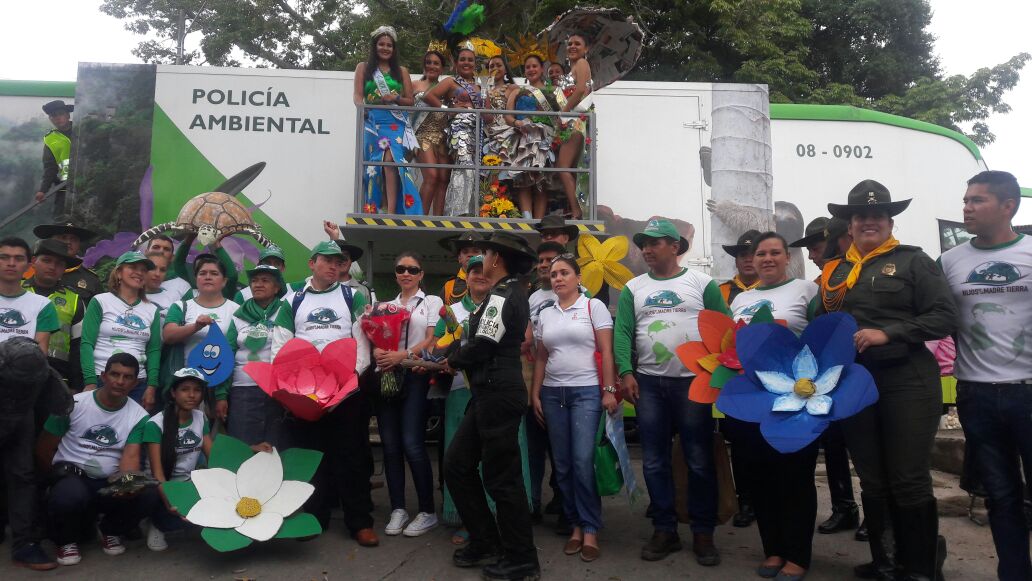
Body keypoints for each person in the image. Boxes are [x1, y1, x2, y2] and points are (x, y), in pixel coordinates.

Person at [818, 180, 957, 581]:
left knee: (908, 476)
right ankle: (886, 561)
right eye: (860, 215)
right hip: (855, 384)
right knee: (873, 477)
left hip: (907, 380)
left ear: (890, 220)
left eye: (877, 215)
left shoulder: (914, 262)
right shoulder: (836, 271)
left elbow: (945, 316)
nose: (869, 221)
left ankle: (920, 568)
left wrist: (890, 332)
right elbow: (822, 324)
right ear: (850, 223)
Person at [614, 218, 727, 565]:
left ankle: (703, 531)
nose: (646, 249)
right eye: (643, 244)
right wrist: (626, 371)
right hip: (649, 383)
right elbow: (623, 332)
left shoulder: (702, 282)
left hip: (693, 383)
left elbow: (724, 330)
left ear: (675, 246)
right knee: (654, 460)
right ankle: (665, 529)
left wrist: (719, 375)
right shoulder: (634, 287)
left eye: (655, 243)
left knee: (698, 458)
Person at [940, 170, 1032, 581]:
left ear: (1008, 205)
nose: (967, 207)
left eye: (978, 200)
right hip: (975, 394)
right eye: (966, 200)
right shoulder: (949, 261)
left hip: (1028, 391)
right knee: (1001, 495)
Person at [443, 232, 540, 581]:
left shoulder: (502, 294)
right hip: (489, 392)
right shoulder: (511, 291)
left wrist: (453, 360)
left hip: (497, 393)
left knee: (503, 479)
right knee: (457, 465)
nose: (481, 259)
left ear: (496, 258)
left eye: (484, 253)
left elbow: (483, 343)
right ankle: (486, 540)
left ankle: (522, 561)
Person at [725, 232, 820, 579]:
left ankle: (797, 555)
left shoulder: (806, 291)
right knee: (760, 476)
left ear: (787, 257)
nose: (766, 258)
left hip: (796, 401)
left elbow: (820, 341)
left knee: (794, 476)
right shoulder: (740, 300)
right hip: (754, 399)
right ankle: (773, 550)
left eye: (774, 252)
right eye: (760, 253)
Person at [289, 240, 377, 547]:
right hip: (306, 391)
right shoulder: (293, 297)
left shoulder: (352, 295)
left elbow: (362, 341)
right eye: (326, 260)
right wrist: (291, 385)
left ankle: (360, 522)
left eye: (337, 261)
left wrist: (352, 379)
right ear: (312, 263)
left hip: (345, 390)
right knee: (313, 456)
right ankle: (314, 517)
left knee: (351, 455)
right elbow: (282, 341)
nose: (332, 265)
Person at [531, 253, 618, 563]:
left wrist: (608, 390)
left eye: (565, 273)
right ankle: (575, 527)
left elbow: (606, 352)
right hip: (553, 394)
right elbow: (541, 357)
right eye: (554, 274)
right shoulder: (546, 313)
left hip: (586, 393)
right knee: (563, 465)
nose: (558, 278)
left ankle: (591, 528)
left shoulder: (593, 307)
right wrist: (536, 394)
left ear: (579, 278)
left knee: (582, 462)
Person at [37, 353, 155, 566]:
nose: (120, 381)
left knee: (148, 493)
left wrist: (127, 485)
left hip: (108, 481)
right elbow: (44, 448)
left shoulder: (139, 416)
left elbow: (130, 457)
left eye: (127, 377)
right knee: (69, 495)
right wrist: (52, 480)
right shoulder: (73, 403)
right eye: (114, 374)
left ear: (135, 382)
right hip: (72, 475)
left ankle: (110, 529)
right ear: (103, 376)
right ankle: (65, 540)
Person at [790, 217, 863, 538]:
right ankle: (844, 507)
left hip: (861, 370)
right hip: (826, 375)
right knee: (833, 444)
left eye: (815, 248)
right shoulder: (821, 283)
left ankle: (876, 516)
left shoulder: (855, 276)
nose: (811, 256)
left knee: (864, 449)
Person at [0, 237, 61, 570]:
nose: (10, 263)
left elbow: (40, 354)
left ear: (28, 265)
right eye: (4, 257)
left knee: (22, 471)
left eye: (18, 258)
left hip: (21, 401)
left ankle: (24, 544)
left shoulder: (40, 306)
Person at [376, 252, 443, 538]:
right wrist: (379, 352)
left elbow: (432, 339)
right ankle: (398, 508)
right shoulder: (384, 306)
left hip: (414, 377)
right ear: (395, 274)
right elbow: (375, 339)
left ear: (421, 274)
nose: (406, 274)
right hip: (387, 378)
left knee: (412, 444)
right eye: (401, 269)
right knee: (390, 446)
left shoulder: (431, 302)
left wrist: (401, 355)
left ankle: (427, 510)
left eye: (412, 270)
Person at [143, 367, 215, 552]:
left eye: (197, 390)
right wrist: (170, 500)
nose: (192, 395)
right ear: (173, 393)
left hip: (189, 482)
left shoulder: (200, 417)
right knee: (168, 514)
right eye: (185, 389)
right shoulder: (155, 424)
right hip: (161, 485)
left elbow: (214, 457)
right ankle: (156, 523)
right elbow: (157, 474)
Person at [80, 251, 161, 410]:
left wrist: (152, 386)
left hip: (137, 383)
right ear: (118, 273)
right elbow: (86, 343)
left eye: (144, 270)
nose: (139, 272)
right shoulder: (100, 301)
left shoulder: (152, 310)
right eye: (133, 267)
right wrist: (89, 381)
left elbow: (154, 350)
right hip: (101, 378)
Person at [162, 254, 239, 420]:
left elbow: (236, 349)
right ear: (196, 279)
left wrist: (221, 395)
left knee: (214, 436)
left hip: (221, 383)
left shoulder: (236, 310)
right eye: (202, 273)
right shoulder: (181, 306)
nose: (208, 277)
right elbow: (168, 335)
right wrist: (196, 326)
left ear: (224, 281)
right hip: (185, 383)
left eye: (214, 273)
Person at [354, 25, 422, 215]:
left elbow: (410, 101)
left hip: (394, 122)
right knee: (376, 166)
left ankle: (392, 211)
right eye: (381, 44)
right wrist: (363, 109)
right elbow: (358, 96)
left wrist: (396, 98)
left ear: (394, 49)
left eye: (389, 45)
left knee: (391, 160)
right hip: (372, 121)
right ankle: (377, 209)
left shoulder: (402, 71)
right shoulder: (363, 68)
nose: (385, 48)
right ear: (375, 46)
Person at [224, 265, 295, 447]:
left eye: (265, 280)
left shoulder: (286, 311)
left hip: (276, 391)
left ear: (277, 287)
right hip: (242, 390)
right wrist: (221, 395)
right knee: (243, 447)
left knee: (275, 448)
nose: (258, 284)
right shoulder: (238, 316)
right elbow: (228, 354)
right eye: (254, 281)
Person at [525, 241, 566, 524]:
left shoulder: (582, 297)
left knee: (563, 449)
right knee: (533, 446)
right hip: (534, 378)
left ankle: (565, 504)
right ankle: (532, 502)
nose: (543, 264)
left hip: (568, 382)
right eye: (540, 260)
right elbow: (527, 339)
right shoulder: (531, 298)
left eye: (549, 260)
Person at [424, 45, 484, 217]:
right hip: (459, 129)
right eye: (462, 59)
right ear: (456, 63)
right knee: (463, 165)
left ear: (474, 64)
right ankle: (457, 211)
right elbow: (428, 96)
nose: (466, 62)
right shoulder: (451, 81)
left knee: (473, 169)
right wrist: (447, 108)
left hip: (476, 130)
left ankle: (470, 209)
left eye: (470, 60)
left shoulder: (480, 87)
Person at [23, 239, 85, 391]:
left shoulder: (75, 300)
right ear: (33, 261)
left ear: (64, 268)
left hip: (57, 377)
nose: (52, 267)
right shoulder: (15, 291)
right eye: (46, 260)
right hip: (14, 371)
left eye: (59, 263)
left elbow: (79, 347)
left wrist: (75, 386)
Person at [505, 54, 557, 219]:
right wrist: (517, 123)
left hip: (543, 138)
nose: (531, 69)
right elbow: (507, 115)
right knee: (523, 178)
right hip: (523, 138)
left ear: (542, 69)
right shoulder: (517, 91)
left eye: (534, 66)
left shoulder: (552, 91)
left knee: (540, 181)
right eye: (527, 67)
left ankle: (539, 221)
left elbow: (562, 116)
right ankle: (527, 219)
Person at [554, 33, 593, 219]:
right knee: (569, 167)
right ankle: (575, 207)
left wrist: (564, 112)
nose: (572, 46)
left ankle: (577, 210)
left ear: (586, 49)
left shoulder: (582, 64)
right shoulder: (572, 68)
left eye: (578, 43)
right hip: (570, 120)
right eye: (569, 43)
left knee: (563, 167)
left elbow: (579, 91)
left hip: (575, 120)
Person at [413, 46, 452, 215]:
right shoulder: (414, 85)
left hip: (443, 138)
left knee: (443, 180)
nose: (432, 66)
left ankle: (437, 222)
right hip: (423, 136)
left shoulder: (447, 87)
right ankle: (419, 220)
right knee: (432, 176)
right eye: (428, 62)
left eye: (436, 63)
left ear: (441, 68)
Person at [31, 221, 102, 303]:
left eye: (73, 239)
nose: (68, 242)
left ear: (79, 245)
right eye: (63, 237)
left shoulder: (91, 279)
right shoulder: (29, 270)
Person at [34, 100, 74, 218]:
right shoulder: (50, 139)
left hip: (87, 182)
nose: (57, 118)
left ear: (67, 115)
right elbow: (50, 167)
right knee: (59, 218)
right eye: (53, 116)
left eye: (60, 113)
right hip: (64, 186)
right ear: (50, 119)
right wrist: (43, 190)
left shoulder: (82, 129)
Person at [439, 232, 485, 306]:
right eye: (465, 252)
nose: (470, 255)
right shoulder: (449, 287)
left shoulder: (492, 283)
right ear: (459, 258)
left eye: (476, 251)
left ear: (485, 256)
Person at [719, 229, 761, 306]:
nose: (748, 260)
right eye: (743, 255)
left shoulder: (773, 290)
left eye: (753, 255)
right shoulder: (721, 291)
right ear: (736, 262)